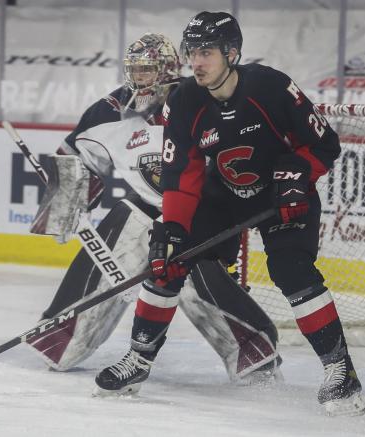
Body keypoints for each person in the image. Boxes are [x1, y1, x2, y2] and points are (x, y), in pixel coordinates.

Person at [94, 13, 365, 417]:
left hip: (282, 191)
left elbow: (324, 144)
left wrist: (298, 173)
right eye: (192, 53)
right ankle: (138, 359)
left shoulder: (271, 87)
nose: (196, 62)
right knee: (167, 259)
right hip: (224, 196)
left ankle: (340, 369)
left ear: (232, 53)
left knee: (292, 271)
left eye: (206, 52)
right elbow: (182, 174)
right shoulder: (184, 100)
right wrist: (172, 227)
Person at [27, 32, 282, 386]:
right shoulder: (109, 110)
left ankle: (254, 352)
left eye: (147, 70)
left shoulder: (201, 99)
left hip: (196, 217)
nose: (139, 77)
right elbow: (74, 155)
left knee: (197, 288)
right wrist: (64, 206)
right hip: (141, 212)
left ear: (166, 69)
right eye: (135, 70)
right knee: (62, 348)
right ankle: (61, 338)